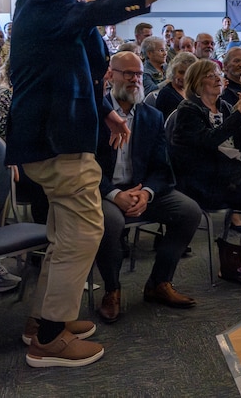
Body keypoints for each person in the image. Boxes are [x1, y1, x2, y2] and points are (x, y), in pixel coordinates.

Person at [7, 0, 196, 368]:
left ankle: (41, 322)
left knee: (64, 235)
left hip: (58, 136)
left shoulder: (53, 15)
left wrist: (107, 112)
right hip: (55, 142)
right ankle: (51, 340)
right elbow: (100, 11)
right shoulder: (44, 3)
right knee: (86, 231)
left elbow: (80, 73)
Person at [94, 52, 201, 322]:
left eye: (139, 74)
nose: (135, 80)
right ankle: (112, 290)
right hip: (101, 191)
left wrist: (146, 192)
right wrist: (114, 194)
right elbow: (85, 165)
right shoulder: (94, 113)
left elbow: (162, 167)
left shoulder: (151, 116)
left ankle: (159, 283)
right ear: (111, 75)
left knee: (188, 211)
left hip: (140, 189)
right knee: (111, 223)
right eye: (128, 73)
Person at [170, 59, 241, 290]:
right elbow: (210, 141)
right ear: (197, 81)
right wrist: (239, 113)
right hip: (204, 181)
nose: (218, 78)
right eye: (211, 75)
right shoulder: (188, 110)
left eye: (218, 74)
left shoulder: (222, 106)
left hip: (228, 176)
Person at [154, 52, 197, 121]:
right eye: (181, 72)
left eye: (188, 73)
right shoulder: (166, 95)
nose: (184, 77)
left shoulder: (194, 92)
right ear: (173, 72)